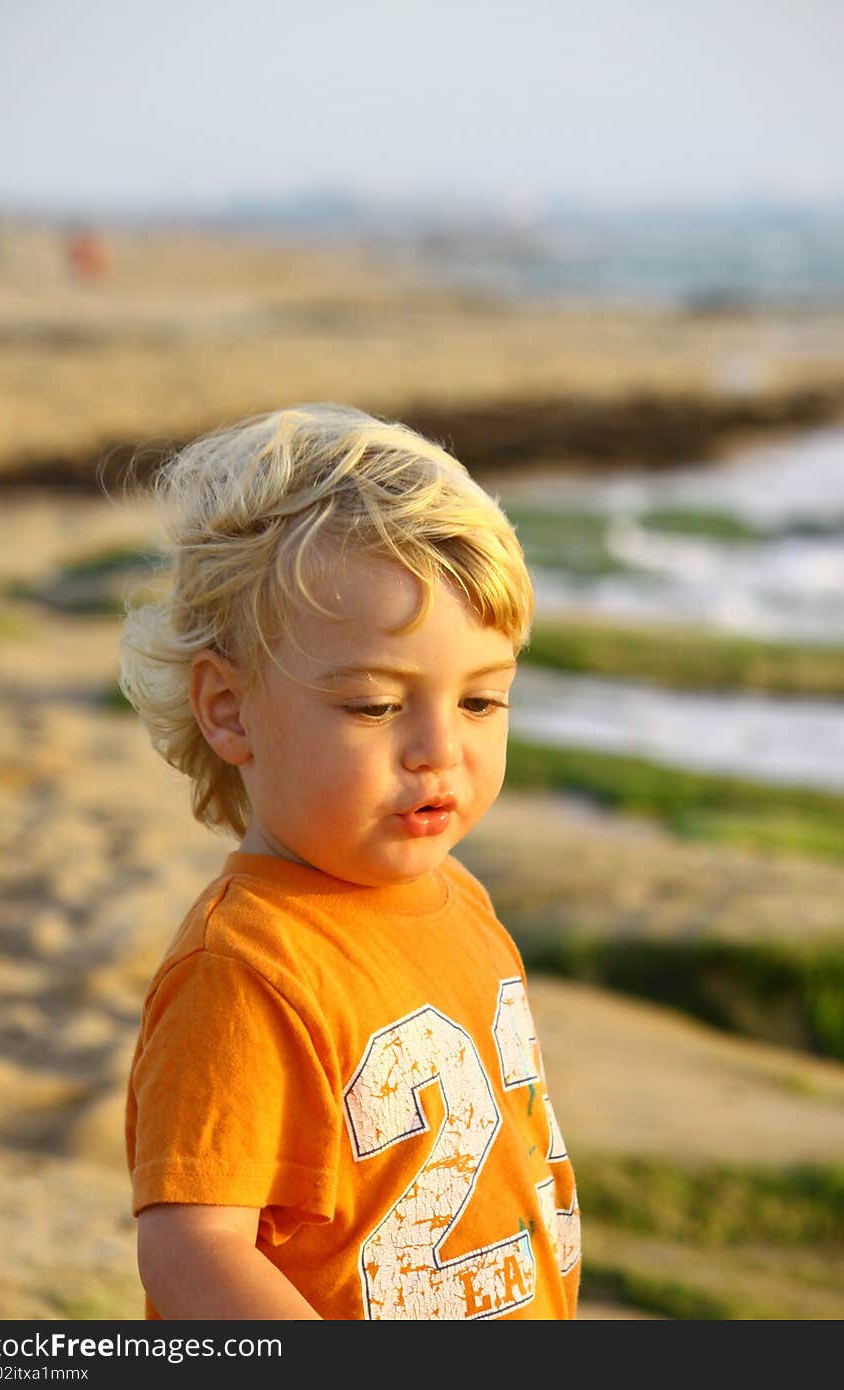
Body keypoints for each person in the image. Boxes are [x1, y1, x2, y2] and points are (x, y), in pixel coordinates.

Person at [122, 402, 581, 1321]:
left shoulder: (459, 898)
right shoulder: (246, 972)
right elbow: (192, 1248)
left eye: (482, 702)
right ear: (229, 708)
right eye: (375, 707)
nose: (437, 751)